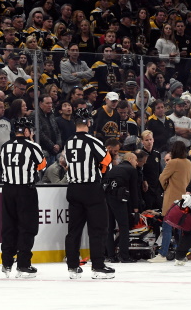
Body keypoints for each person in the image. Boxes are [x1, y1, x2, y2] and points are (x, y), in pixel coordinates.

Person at [63, 108, 114, 279]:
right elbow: (107, 161)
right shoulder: (93, 141)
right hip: (91, 189)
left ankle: (72, 267)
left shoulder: (68, 142)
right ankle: (98, 266)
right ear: (89, 123)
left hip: (73, 188)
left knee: (74, 230)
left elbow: (66, 163)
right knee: (98, 229)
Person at [0, 118, 47, 278]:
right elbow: (42, 166)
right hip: (25, 190)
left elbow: (2, 165)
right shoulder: (32, 146)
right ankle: (23, 264)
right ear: (26, 131)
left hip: (7, 189)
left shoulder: (6, 145)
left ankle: (6, 263)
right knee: (27, 227)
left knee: (9, 226)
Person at [149, 142, 191, 263]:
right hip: (184, 199)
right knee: (180, 227)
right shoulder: (188, 163)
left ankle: (163, 254)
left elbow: (162, 177)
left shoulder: (173, 162)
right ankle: (181, 254)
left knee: (167, 226)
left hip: (171, 199)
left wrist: (166, 186)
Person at [103, 152, 140, 263]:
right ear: (129, 159)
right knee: (124, 226)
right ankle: (124, 255)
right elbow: (134, 190)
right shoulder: (131, 170)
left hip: (106, 198)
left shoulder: (114, 169)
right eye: (135, 160)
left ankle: (111, 255)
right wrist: (136, 208)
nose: (137, 163)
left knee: (110, 228)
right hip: (118, 199)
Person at [139, 130, 163, 210]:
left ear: (153, 140)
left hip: (157, 187)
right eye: (146, 140)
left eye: (150, 139)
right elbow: (139, 171)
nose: (149, 142)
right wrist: (144, 180)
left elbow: (160, 170)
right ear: (142, 141)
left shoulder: (157, 153)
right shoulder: (140, 154)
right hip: (146, 187)